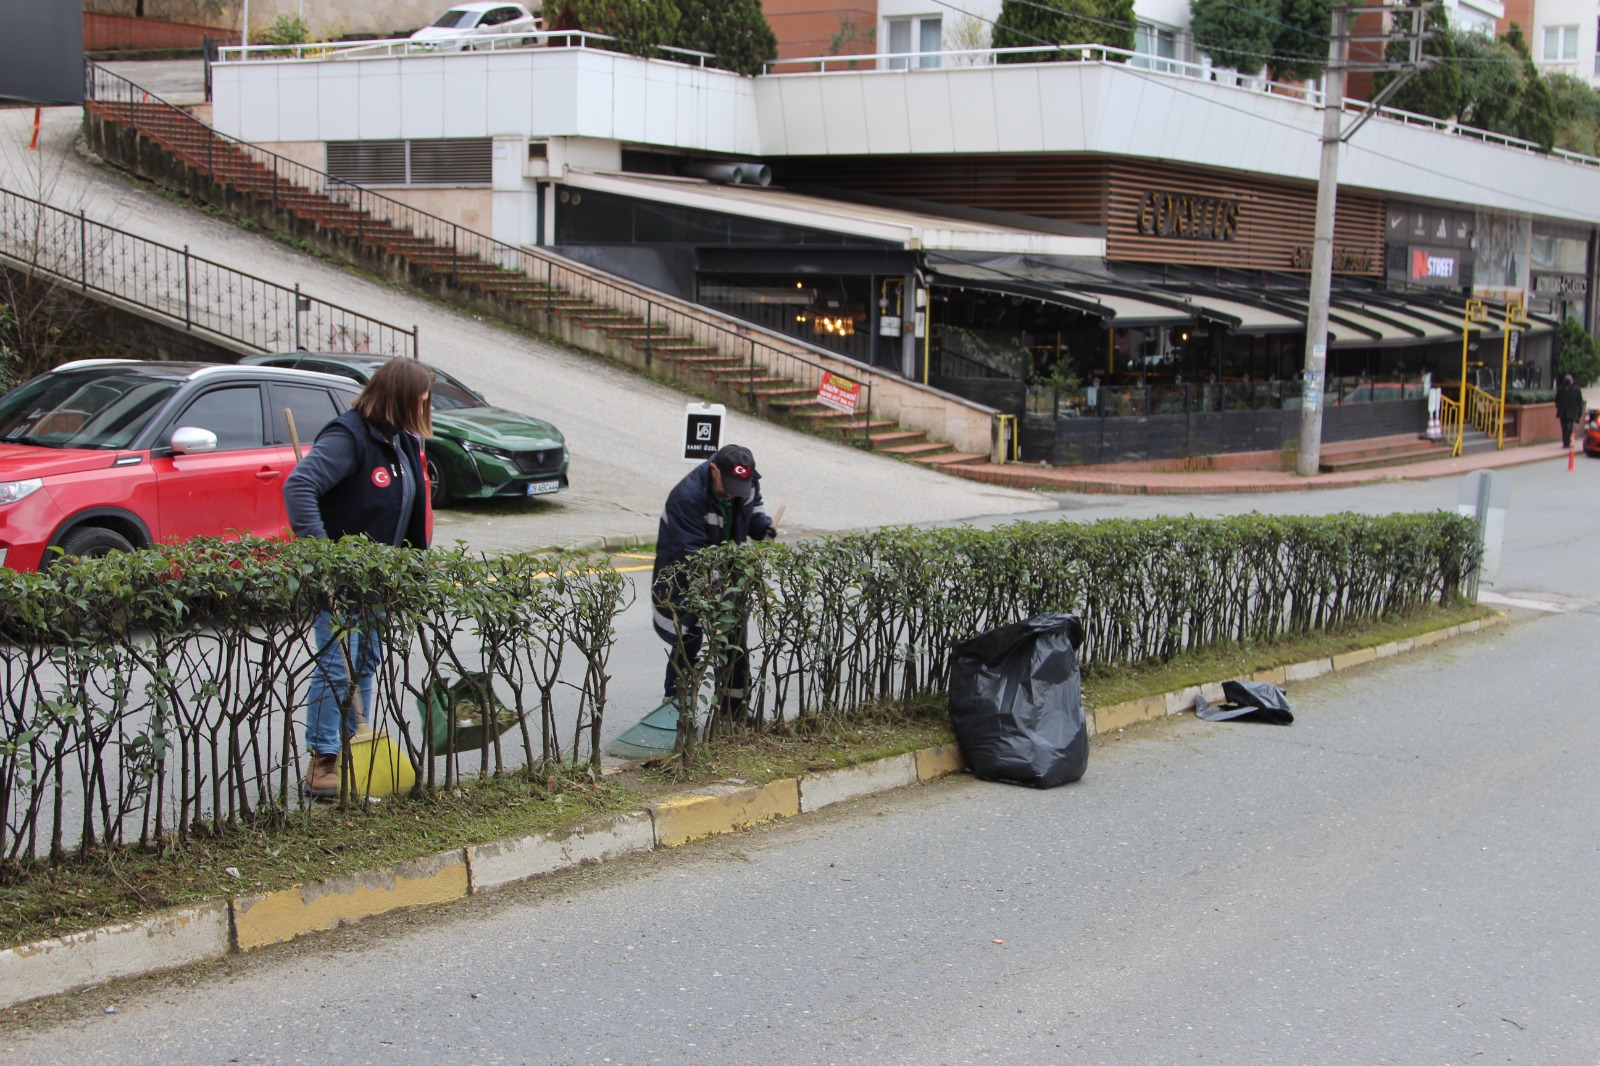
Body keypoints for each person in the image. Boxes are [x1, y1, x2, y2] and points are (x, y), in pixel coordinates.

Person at [284, 358, 434, 799]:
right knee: (337, 666)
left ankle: (354, 750)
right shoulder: (348, 437)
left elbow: (408, 509)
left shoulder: (402, 441)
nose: (423, 410)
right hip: (339, 580)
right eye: (420, 401)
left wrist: (411, 569)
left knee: (363, 664)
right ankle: (323, 761)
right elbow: (299, 487)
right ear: (398, 398)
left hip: (377, 582)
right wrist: (323, 555)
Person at [650, 444, 776, 727]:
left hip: (726, 574)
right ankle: (676, 711)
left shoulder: (745, 483)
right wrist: (718, 594)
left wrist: (761, 525)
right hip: (683, 574)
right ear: (714, 469)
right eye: (727, 486)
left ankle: (735, 711)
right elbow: (692, 557)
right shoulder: (686, 498)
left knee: (735, 641)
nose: (731, 494)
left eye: (738, 488)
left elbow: (753, 506)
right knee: (688, 640)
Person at [1556, 374, 1584, 449]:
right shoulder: (1560, 390)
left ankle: (1567, 442)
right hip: (1563, 413)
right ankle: (1565, 443)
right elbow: (1557, 400)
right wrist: (1559, 407)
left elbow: (1579, 402)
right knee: (1564, 428)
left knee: (1569, 427)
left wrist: (1578, 414)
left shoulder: (1576, 390)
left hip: (1571, 413)